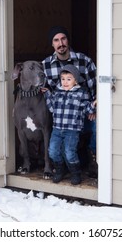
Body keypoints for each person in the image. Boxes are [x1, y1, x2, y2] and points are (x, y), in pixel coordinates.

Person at [42, 25, 98, 178]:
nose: (61, 43)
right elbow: (44, 89)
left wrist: (94, 107)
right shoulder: (46, 65)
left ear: (68, 40)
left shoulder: (84, 61)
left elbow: (96, 85)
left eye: (63, 38)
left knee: (98, 125)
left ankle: (93, 157)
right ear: (52, 44)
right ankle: (61, 165)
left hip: (84, 110)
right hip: (62, 116)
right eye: (56, 40)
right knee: (56, 145)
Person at [41, 64, 96, 185]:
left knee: (69, 152)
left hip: (72, 129)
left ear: (75, 81)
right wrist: (47, 95)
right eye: (63, 79)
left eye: (69, 79)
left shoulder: (81, 94)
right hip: (57, 128)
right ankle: (60, 170)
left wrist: (93, 105)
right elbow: (52, 109)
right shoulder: (57, 93)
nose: (65, 82)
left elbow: (87, 109)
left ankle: (75, 172)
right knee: (52, 151)